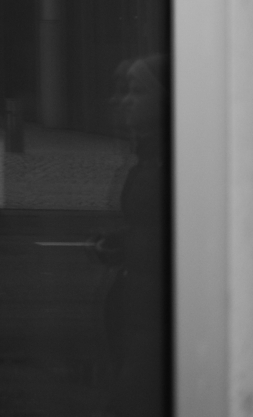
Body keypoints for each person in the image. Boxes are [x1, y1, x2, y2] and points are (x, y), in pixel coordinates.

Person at [97, 54, 170, 417]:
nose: (123, 100)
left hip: (154, 318)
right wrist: (123, 243)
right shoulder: (150, 157)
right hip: (137, 309)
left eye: (136, 91)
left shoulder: (175, 162)